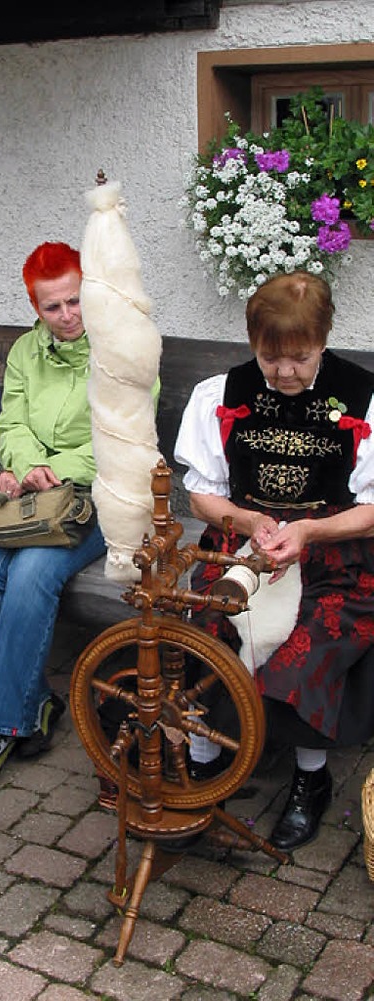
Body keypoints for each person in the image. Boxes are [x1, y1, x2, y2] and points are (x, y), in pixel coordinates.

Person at [174, 270, 374, 851]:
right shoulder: (221, 394)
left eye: (300, 358)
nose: (284, 372)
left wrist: (309, 531)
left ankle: (311, 778)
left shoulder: (363, 398)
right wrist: (244, 522)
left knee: (309, 640)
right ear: (253, 342)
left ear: (324, 338)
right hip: (244, 543)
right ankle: (207, 760)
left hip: (333, 548)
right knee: (208, 626)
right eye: (270, 358)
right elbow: (202, 493)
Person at [0, 241, 107, 778]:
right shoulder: (25, 352)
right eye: (52, 306)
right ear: (36, 309)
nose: (67, 316)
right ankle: (33, 703)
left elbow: (121, 438)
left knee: (31, 575)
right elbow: (10, 422)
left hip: (92, 499)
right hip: (27, 495)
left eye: (75, 301)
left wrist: (57, 469)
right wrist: (25, 468)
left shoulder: (121, 348)